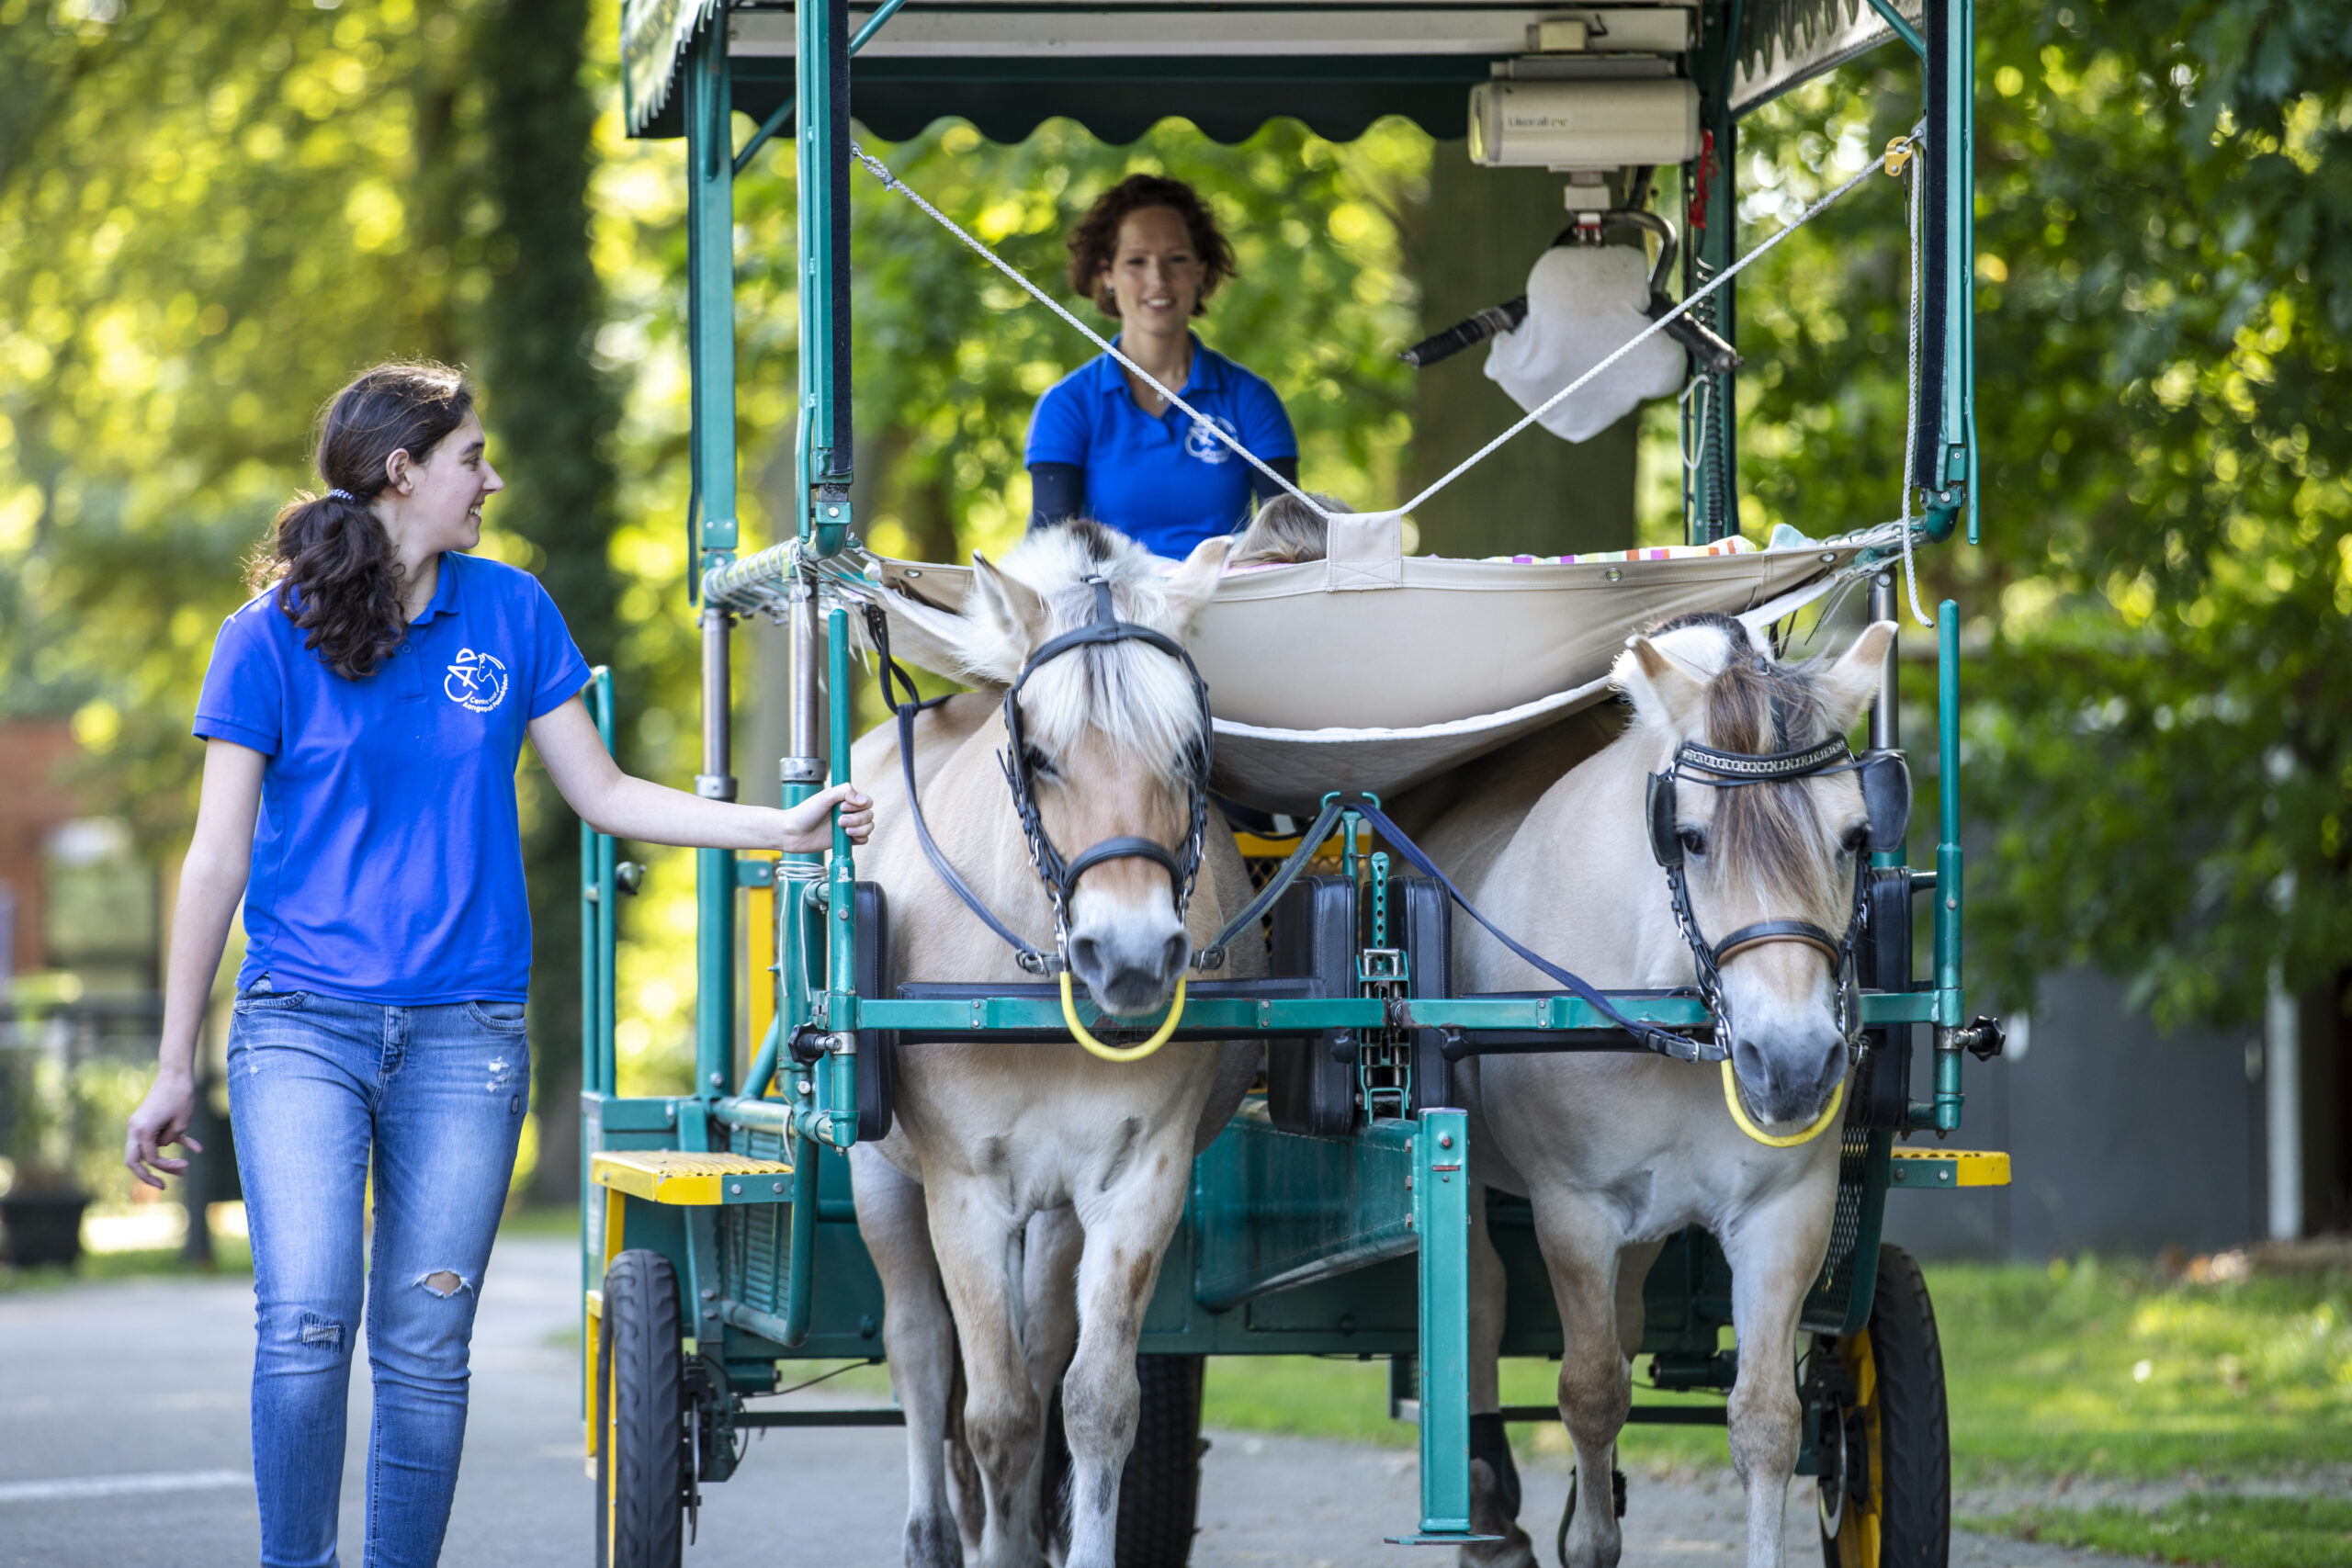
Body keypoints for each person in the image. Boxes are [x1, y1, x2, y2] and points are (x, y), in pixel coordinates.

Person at [121, 361, 872, 1568]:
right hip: (301, 1025)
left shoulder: (512, 611)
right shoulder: (264, 638)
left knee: (424, 1344)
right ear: (401, 472)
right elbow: (213, 861)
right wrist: (172, 1063)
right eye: (473, 457)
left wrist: (779, 828)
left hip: (465, 1036)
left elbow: (608, 792)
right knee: (307, 1319)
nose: (494, 478)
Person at [1026, 174, 1300, 556]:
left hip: (1234, 605)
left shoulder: (1251, 399)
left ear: (1201, 271)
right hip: (1113, 611)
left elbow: (1291, 545)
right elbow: (1047, 553)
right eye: (1137, 261)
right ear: (1108, 275)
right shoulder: (1067, 405)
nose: (1158, 279)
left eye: (1177, 259)